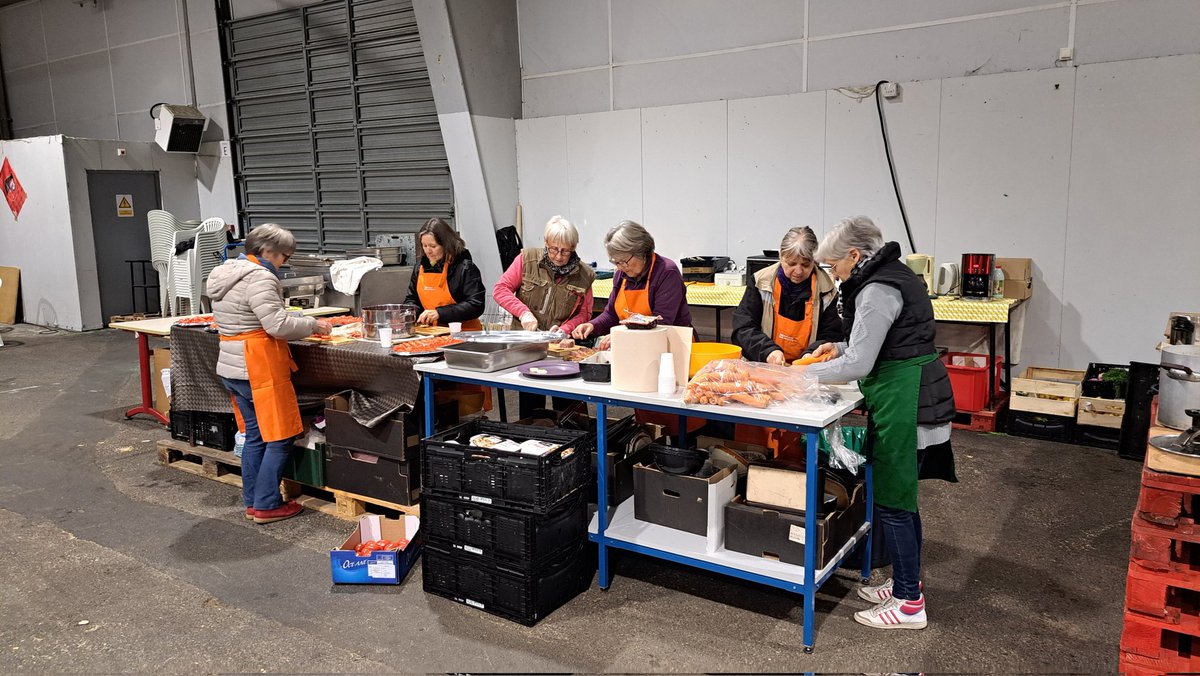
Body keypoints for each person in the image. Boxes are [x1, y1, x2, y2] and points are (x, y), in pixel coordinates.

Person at [802, 216, 957, 631]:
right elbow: (874, 339)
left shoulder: (876, 288)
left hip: (906, 401)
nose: (831, 273)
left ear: (854, 255)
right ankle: (907, 584)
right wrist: (832, 346)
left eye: (833, 265)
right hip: (907, 393)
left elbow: (860, 362)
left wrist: (796, 377)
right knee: (901, 499)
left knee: (894, 501)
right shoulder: (890, 275)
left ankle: (909, 604)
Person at [206, 223, 332, 524]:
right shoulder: (261, 277)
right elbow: (276, 325)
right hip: (257, 365)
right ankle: (266, 504)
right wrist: (312, 325)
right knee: (279, 436)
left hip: (232, 365)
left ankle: (253, 501)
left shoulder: (226, 271)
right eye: (284, 256)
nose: (284, 263)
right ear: (267, 251)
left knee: (255, 436)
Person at [493, 215, 595, 418]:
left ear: (574, 246)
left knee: (567, 406)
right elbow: (500, 289)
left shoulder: (585, 275)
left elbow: (585, 313)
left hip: (561, 350)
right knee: (531, 404)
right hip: (527, 346)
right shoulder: (527, 259)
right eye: (554, 248)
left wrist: (565, 330)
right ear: (545, 243)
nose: (558, 256)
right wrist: (523, 313)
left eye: (565, 250)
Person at [572, 220, 691, 350]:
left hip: (671, 348)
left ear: (641, 252)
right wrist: (592, 325)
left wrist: (623, 335)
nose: (620, 267)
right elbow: (611, 314)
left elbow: (661, 322)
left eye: (623, 261)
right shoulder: (621, 275)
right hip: (635, 347)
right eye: (615, 262)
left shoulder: (666, 272)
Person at [731, 226, 843, 364]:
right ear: (781, 257)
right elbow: (743, 328)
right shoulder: (760, 282)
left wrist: (811, 354)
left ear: (815, 261)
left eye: (805, 264)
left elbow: (832, 334)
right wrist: (768, 351)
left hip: (807, 370)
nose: (798, 271)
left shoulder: (828, 291)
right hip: (765, 366)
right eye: (791, 263)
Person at [405, 218, 485, 330]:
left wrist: (440, 313)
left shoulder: (464, 267)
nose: (428, 251)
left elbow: (476, 304)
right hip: (429, 332)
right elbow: (412, 298)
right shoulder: (420, 267)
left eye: (433, 246)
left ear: (446, 245)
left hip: (463, 333)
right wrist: (411, 312)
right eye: (424, 245)